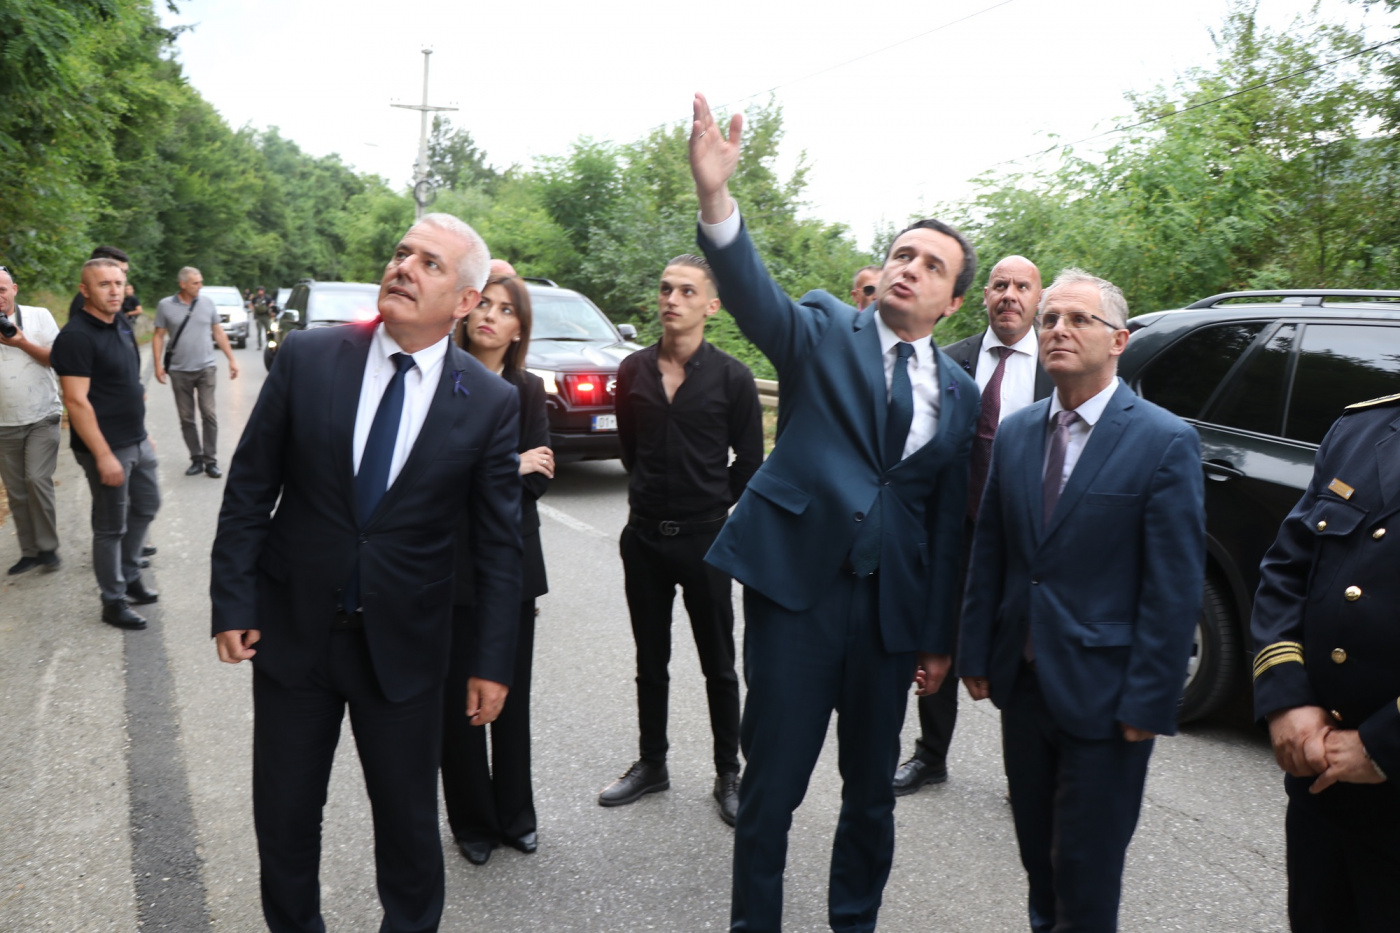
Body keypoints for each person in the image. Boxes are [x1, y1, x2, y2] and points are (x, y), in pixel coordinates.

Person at [688, 93, 980, 932]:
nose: (909, 268)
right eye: (901, 253)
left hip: (888, 619)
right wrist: (715, 195)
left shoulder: (959, 394)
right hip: (797, 598)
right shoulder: (821, 327)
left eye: (931, 265)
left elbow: (944, 522)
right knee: (772, 789)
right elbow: (754, 296)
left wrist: (937, 637)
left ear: (950, 302)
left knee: (871, 796)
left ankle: (854, 920)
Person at [210, 212, 523, 933]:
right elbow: (251, 488)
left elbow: (497, 547)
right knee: (285, 817)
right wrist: (233, 600)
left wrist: (491, 661)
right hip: (293, 636)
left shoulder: (489, 402)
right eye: (402, 253)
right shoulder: (310, 357)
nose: (404, 267)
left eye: (430, 263)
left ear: (465, 301)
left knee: (408, 826)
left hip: (406, 649)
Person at [959, 268, 1206, 933]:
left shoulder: (1163, 440)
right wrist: (976, 650)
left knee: (1087, 878)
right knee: (1039, 864)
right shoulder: (1017, 433)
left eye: (1077, 319)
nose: (1058, 330)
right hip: (1024, 687)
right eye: (1050, 319)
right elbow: (992, 552)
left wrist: (1149, 702)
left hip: (1107, 699)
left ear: (1119, 340)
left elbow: (1174, 586)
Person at [600, 253, 763, 827]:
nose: (672, 299)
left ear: (712, 306)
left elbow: (750, 461)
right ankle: (653, 764)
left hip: (706, 542)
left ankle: (728, 773)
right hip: (643, 539)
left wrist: (711, 505)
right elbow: (629, 448)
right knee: (651, 660)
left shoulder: (733, 378)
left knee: (719, 664)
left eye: (687, 291)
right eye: (666, 288)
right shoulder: (632, 371)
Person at [893, 255, 1051, 795]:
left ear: (1037, 299)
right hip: (955, 528)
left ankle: (1023, 772)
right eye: (1000, 284)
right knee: (938, 632)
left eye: (1023, 286)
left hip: (1024, 535)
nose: (1010, 295)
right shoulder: (950, 361)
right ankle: (930, 756)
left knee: (1020, 648)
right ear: (984, 295)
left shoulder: (1056, 367)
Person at [1250, 393, 1400, 931]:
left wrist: (1383, 744)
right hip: (1322, 790)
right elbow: (1287, 570)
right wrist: (1288, 699)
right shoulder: (1362, 429)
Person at [441, 273, 553, 866]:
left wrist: (490, 471)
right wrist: (509, 464)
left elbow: (539, 481)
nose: (490, 314)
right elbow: (435, 476)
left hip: (513, 563)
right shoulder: (443, 379)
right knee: (456, 699)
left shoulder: (528, 389)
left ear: (518, 330)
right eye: (483, 303)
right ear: (465, 312)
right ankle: (472, 822)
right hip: (450, 563)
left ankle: (516, 815)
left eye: (506, 310)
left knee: (512, 695)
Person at [50, 258, 161, 629]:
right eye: (104, 284)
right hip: (106, 447)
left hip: (136, 439)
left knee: (147, 505)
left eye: (118, 283)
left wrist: (143, 432)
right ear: (84, 290)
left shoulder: (123, 324)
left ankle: (129, 574)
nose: (114, 291)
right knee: (111, 526)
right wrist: (103, 455)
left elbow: (129, 383)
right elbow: (76, 400)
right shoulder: (77, 337)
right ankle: (112, 600)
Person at [0, 265, 63, 575]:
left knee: (37, 479)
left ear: (14, 289)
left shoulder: (39, 316)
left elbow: (59, 358)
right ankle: (30, 552)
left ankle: (48, 547)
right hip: (3, 423)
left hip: (43, 415)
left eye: (1, 289)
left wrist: (20, 342)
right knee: (16, 491)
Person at [153, 266, 239, 479]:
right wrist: (157, 365)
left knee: (209, 413)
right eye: (195, 283)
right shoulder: (165, 305)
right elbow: (158, 335)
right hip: (179, 370)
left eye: (200, 282)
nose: (200, 286)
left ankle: (211, 460)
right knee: (186, 417)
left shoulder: (207, 303)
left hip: (206, 368)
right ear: (183, 284)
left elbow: (218, 332)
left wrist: (231, 359)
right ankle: (196, 458)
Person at [68, 246, 132, 318]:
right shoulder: (86, 304)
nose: (123, 278)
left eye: (125, 272)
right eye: (118, 271)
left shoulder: (111, 303)